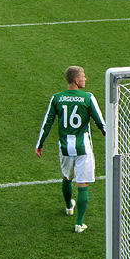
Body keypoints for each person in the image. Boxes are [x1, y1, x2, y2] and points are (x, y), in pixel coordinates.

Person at [35, 66, 105, 233]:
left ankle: (68, 207)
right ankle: (79, 224)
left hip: (65, 148)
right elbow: (100, 122)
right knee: (82, 184)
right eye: (83, 76)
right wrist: (108, 136)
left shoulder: (56, 98)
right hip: (83, 148)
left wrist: (40, 144)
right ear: (76, 80)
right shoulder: (88, 97)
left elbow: (47, 123)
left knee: (67, 177)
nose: (85, 79)